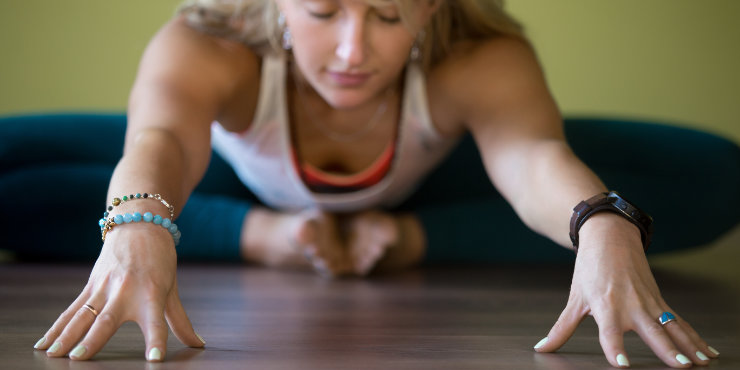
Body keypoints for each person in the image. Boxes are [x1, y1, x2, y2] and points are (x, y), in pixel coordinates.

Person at [0, 0, 736, 367]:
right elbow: (159, 141)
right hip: (222, 175)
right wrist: (140, 225)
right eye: (323, 10)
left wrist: (604, 223)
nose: (353, 50)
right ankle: (256, 234)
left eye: (388, 14)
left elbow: (534, 157)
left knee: (716, 175)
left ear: (432, 9)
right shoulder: (210, 39)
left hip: (436, 182)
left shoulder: (480, 55)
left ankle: (412, 239)